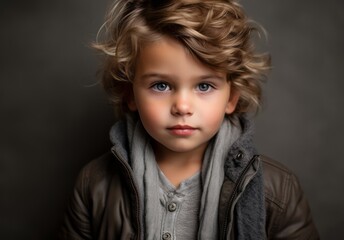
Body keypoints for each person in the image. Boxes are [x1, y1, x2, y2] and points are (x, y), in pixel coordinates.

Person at [60, 0, 319, 239]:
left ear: (231, 98)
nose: (182, 107)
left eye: (204, 86)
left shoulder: (277, 190)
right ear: (130, 95)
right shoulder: (95, 183)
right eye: (161, 85)